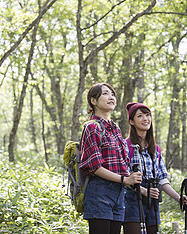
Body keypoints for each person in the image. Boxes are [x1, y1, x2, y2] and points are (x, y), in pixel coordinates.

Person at [79, 83, 142, 234]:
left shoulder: (115, 128)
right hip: (99, 192)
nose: (111, 97)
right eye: (105, 94)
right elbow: (94, 166)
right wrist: (125, 179)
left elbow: (122, 163)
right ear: (94, 101)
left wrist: (130, 179)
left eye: (112, 94)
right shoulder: (92, 127)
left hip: (119, 194)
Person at [123, 102, 187, 234]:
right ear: (131, 122)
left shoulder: (155, 149)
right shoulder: (125, 145)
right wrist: (143, 191)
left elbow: (162, 180)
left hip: (152, 200)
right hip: (132, 199)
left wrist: (179, 198)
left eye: (147, 115)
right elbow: (123, 178)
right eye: (140, 116)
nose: (145, 119)